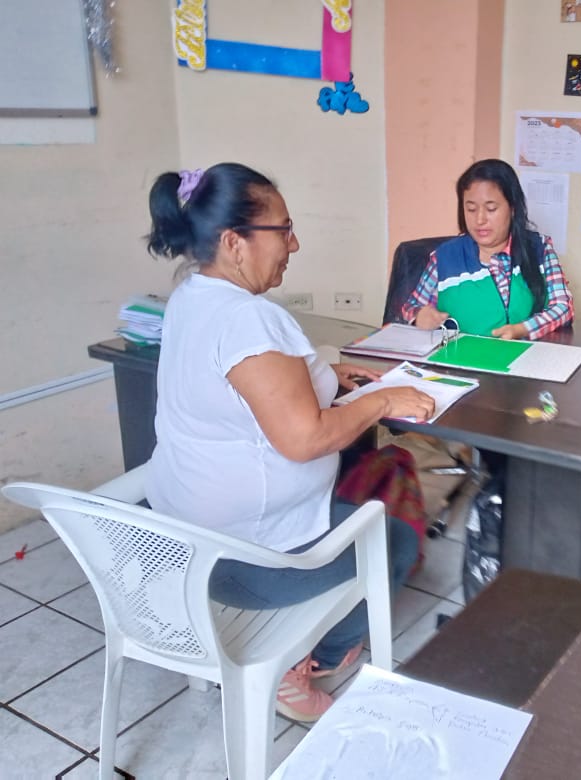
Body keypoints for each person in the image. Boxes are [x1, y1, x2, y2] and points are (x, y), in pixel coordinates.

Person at [144, 162, 435, 722]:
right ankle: (303, 661)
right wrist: (381, 401)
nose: (293, 244)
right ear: (234, 242)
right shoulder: (250, 318)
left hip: (183, 541)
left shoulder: (191, 297)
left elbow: (244, 384)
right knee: (395, 539)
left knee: (357, 488)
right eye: (283, 230)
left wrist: (324, 374)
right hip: (248, 562)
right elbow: (305, 440)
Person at [400, 158, 574, 340]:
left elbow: (563, 307)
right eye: (471, 209)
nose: (480, 219)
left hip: (523, 355)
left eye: (491, 209)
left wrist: (523, 329)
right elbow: (411, 307)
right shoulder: (444, 258)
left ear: (512, 209)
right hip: (462, 357)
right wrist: (418, 316)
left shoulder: (539, 249)